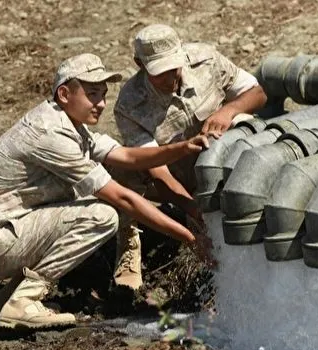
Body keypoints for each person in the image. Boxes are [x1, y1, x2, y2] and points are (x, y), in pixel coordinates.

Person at [0, 53, 210, 329]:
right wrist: (189, 237)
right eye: (92, 94)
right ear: (64, 94)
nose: (100, 104)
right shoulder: (50, 135)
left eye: (103, 94)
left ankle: (8, 298)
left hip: (0, 234)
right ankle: (24, 300)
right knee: (101, 215)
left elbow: (126, 157)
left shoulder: (70, 125)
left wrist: (184, 148)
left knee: (88, 199)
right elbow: (122, 197)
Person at [112, 24, 267, 290]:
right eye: (161, 72)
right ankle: (128, 243)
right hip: (180, 179)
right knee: (121, 168)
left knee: (243, 121)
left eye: (174, 65)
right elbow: (157, 170)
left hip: (228, 165)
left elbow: (258, 94)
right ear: (140, 64)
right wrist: (194, 211)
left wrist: (228, 111)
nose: (172, 75)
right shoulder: (130, 104)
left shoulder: (206, 60)